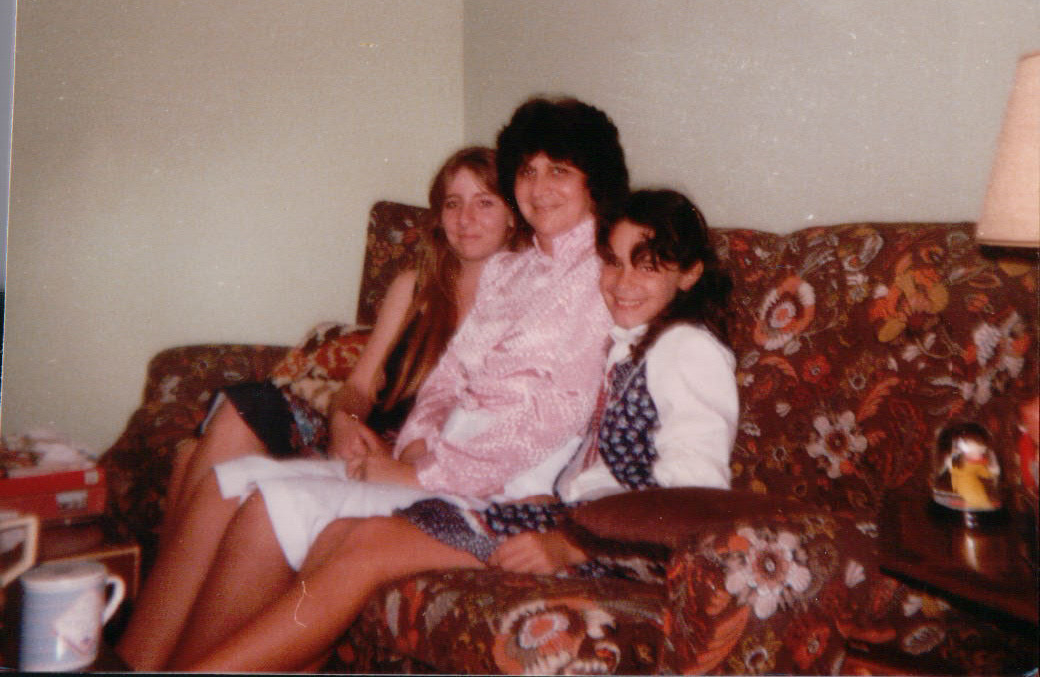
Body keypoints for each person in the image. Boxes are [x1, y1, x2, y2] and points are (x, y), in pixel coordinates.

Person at [120, 96, 630, 671]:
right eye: (528, 171)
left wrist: (421, 472)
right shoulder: (513, 269)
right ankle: (138, 664)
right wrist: (416, 437)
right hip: (440, 463)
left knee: (269, 503)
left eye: (559, 170)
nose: (540, 187)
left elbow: (553, 417)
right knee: (229, 480)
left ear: (595, 182)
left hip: (493, 487)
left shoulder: (601, 275)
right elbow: (449, 375)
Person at [174, 187, 739, 672]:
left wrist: (567, 544)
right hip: (568, 519)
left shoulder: (688, 351)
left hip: (617, 552)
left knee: (365, 546)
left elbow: (695, 503)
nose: (621, 281)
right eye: (613, 262)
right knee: (338, 533)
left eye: (648, 264)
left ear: (689, 274)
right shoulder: (630, 344)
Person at [159, 145, 516, 542]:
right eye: (453, 203)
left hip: (406, 462)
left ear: (513, 215)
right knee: (239, 410)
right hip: (355, 443)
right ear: (439, 215)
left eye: (485, 202)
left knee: (199, 452)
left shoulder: (521, 303)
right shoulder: (413, 287)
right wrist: (345, 422)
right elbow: (359, 387)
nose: (466, 219)